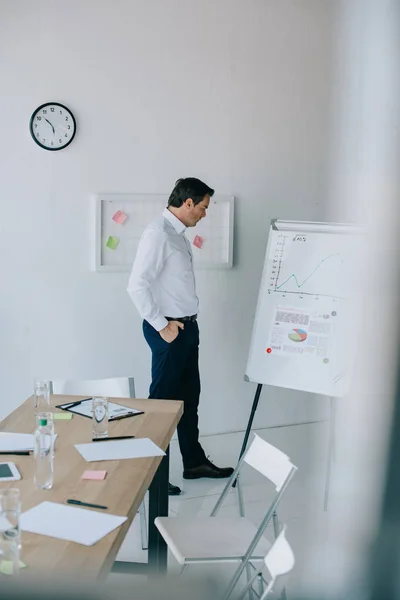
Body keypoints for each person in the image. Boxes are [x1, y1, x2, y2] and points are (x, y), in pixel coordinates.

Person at [127, 177, 234, 495]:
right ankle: (149, 475)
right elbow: (136, 285)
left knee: (189, 400)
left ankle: (194, 462)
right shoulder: (158, 233)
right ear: (188, 203)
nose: (204, 214)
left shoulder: (178, 236)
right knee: (160, 405)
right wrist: (163, 325)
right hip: (169, 330)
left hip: (186, 328)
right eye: (202, 207)